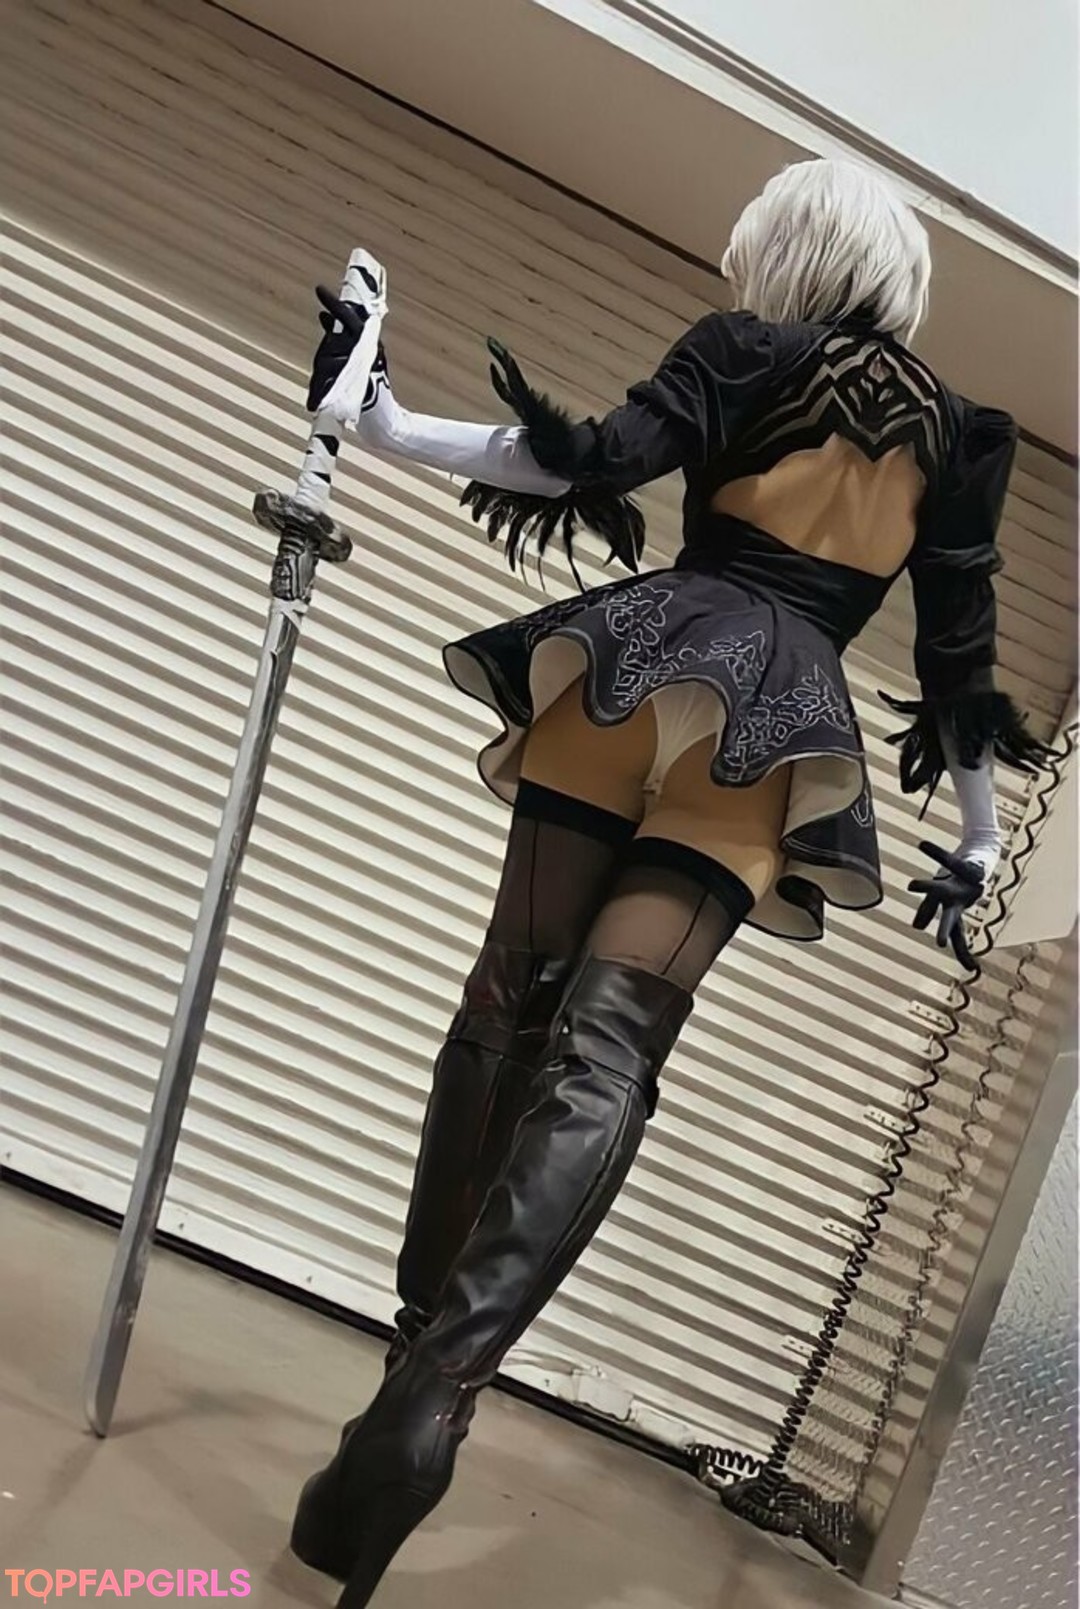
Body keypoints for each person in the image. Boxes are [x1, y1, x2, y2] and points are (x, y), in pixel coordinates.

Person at [287, 159, 1047, 1605]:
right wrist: (976, 828)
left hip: (644, 666)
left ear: (793, 249)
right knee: (611, 1055)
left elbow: (584, 462)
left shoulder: (746, 347)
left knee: (508, 1005)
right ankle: (439, 1397)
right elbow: (959, 655)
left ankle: (408, 1355)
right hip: (775, 729)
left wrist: (379, 421)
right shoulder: (961, 438)